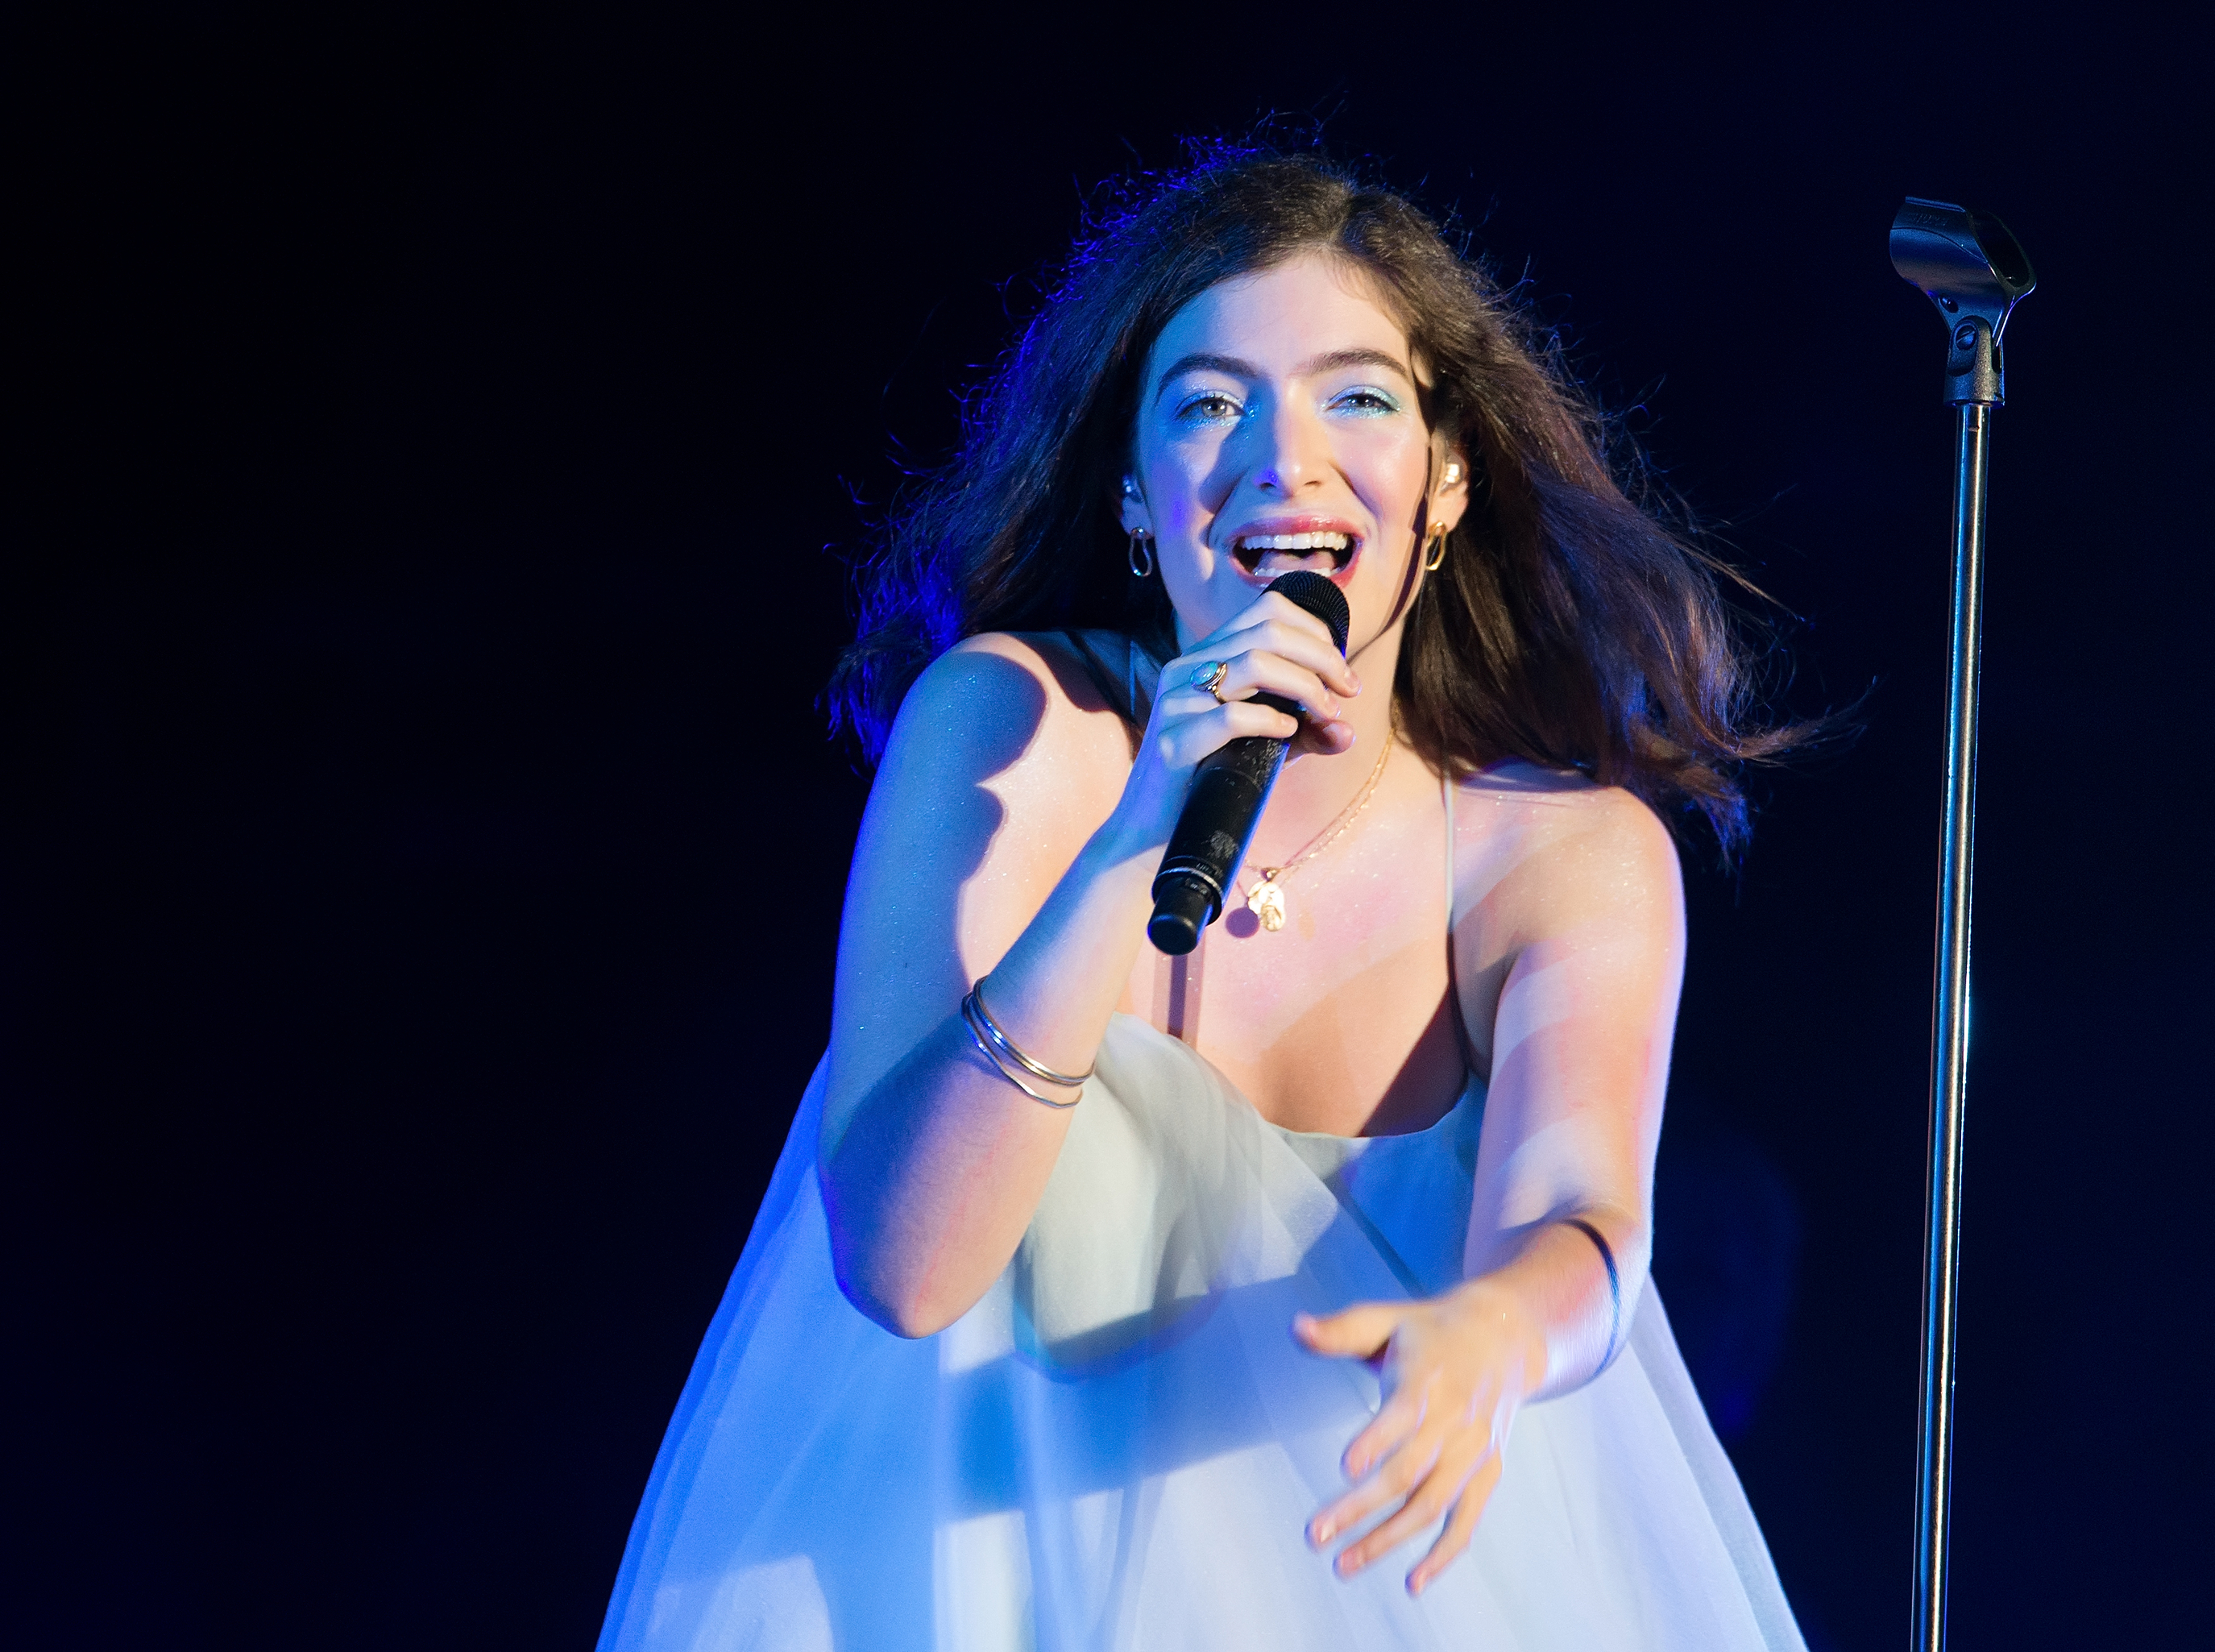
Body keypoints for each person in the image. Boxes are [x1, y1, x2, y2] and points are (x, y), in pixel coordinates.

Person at [598, 146, 1808, 1651]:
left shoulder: (1561, 853)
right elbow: (903, 1268)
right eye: (1211, 403)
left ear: (1444, 479)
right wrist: (1130, 840)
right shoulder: (1009, 736)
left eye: (1358, 396)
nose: (1283, 460)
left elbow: (1579, 1212)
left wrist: (1491, 1331)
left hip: (1399, 1580)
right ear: (1134, 493)